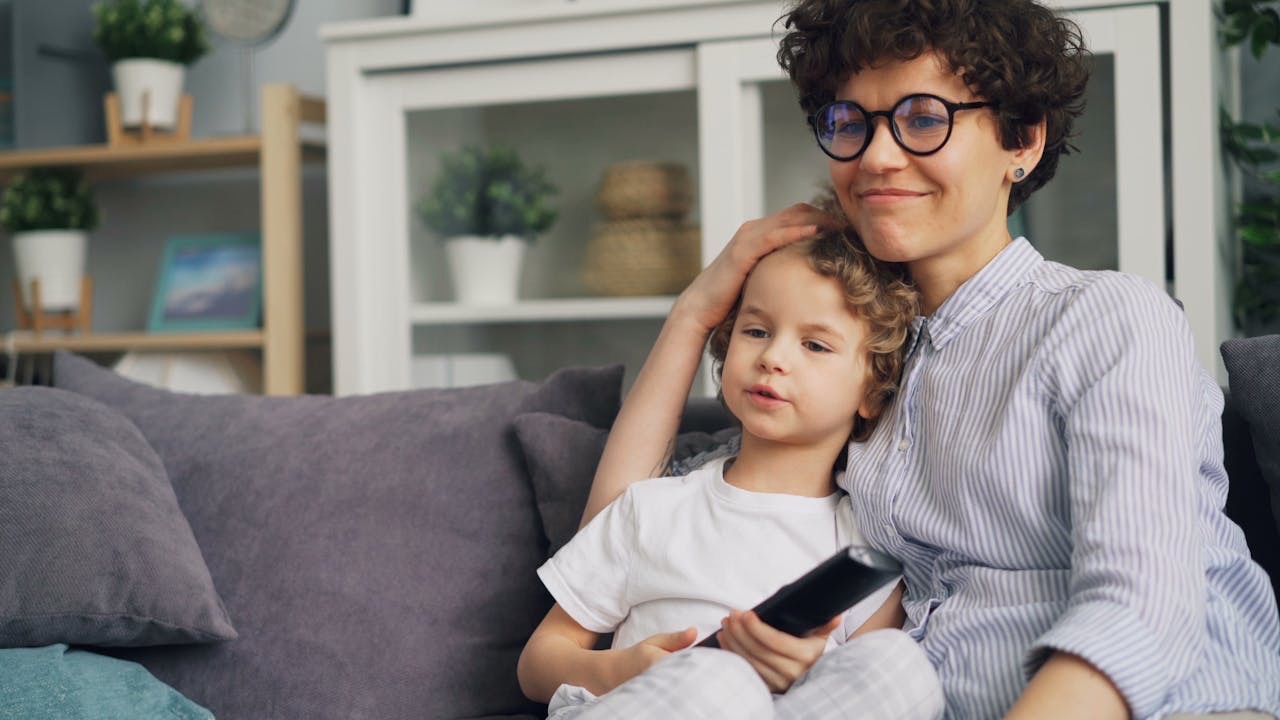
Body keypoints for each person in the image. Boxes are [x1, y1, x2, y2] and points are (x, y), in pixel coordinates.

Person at [580, 1, 1280, 719]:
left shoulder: (1108, 319)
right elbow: (628, 528)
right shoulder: (858, 357)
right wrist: (694, 312)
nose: (878, 157)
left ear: (1023, 142)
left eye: (923, 117)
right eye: (851, 123)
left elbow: (1139, 611)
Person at [517, 228, 945, 720]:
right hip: (639, 706)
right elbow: (537, 664)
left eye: (815, 345)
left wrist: (808, 673)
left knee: (899, 666)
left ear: (873, 390)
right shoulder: (651, 509)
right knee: (719, 681)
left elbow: (860, 687)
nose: (773, 358)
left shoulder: (862, 548)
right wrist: (624, 670)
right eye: (757, 331)